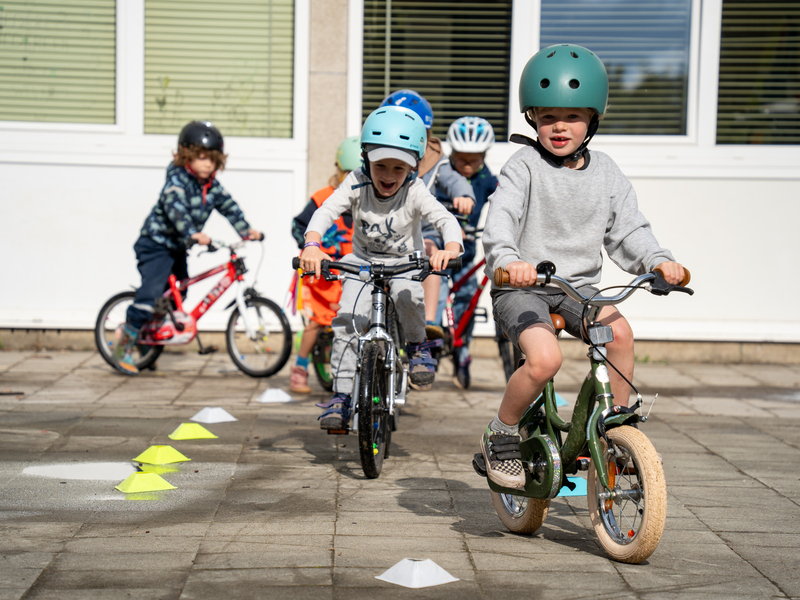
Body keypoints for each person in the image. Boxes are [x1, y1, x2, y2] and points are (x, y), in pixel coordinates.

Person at [480, 44, 687, 489]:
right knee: (545, 359)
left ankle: (615, 429)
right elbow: (501, 220)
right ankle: (501, 433)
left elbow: (628, 229)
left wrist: (658, 261)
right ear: (532, 117)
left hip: (578, 290)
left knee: (621, 334)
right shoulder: (523, 167)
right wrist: (509, 261)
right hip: (521, 288)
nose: (560, 126)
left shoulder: (606, 172)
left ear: (593, 119)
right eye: (548, 115)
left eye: (573, 116)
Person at [299, 105, 463, 430]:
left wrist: (451, 247)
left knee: (407, 297)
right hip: (361, 262)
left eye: (398, 168)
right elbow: (326, 210)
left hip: (404, 263)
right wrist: (312, 244)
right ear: (365, 160)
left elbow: (444, 218)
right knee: (348, 320)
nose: (388, 175)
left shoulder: (415, 190)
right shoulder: (356, 181)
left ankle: (417, 347)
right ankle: (341, 395)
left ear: (413, 166)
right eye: (380, 166)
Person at [112, 120, 262, 376]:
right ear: (186, 156)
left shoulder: (211, 186)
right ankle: (124, 346)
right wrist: (192, 232)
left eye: (212, 159)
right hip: (156, 244)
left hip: (178, 247)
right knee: (151, 295)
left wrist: (246, 230)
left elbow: (229, 206)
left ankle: (150, 339)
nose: (208, 164)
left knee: (179, 293)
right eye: (201, 157)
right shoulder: (177, 180)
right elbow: (175, 207)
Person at [379, 90, 475, 341]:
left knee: (431, 253)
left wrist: (464, 195)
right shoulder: (378, 158)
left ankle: (429, 320)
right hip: (385, 230)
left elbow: (454, 180)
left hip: (423, 231)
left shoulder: (434, 161)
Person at [288, 136, 360, 393]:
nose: (354, 180)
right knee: (318, 321)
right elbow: (299, 226)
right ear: (339, 172)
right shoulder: (324, 198)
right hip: (323, 276)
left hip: (355, 274)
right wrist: (313, 248)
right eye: (348, 174)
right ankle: (299, 367)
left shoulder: (371, 202)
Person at [444, 116, 499, 389]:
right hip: (437, 252)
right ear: (451, 153)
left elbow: (505, 199)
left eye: (473, 160)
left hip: (465, 255)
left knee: (468, 298)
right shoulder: (442, 174)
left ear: (484, 156)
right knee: (431, 299)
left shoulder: (487, 178)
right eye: (461, 159)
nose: (467, 165)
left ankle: (462, 349)